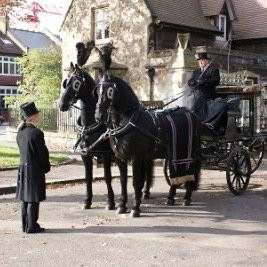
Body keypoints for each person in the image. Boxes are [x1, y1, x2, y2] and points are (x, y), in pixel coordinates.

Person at [16, 102, 50, 234]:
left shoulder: (20, 133)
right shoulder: (37, 133)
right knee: (33, 199)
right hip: (34, 170)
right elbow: (42, 154)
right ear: (32, 117)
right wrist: (45, 167)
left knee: (25, 198)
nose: (39, 116)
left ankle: (25, 225)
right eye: (37, 114)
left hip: (23, 169)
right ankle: (32, 226)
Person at [187, 51, 221, 122]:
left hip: (208, 94)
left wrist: (203, 81)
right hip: (197, 94)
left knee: (195, 108)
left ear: (207, 61)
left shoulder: (213, 70)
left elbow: (216, 81)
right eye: (199, 61)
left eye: (202, 60)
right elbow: (190, 81)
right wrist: (193, 83)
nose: (200, 62)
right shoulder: (196, 71)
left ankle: (198, 119)